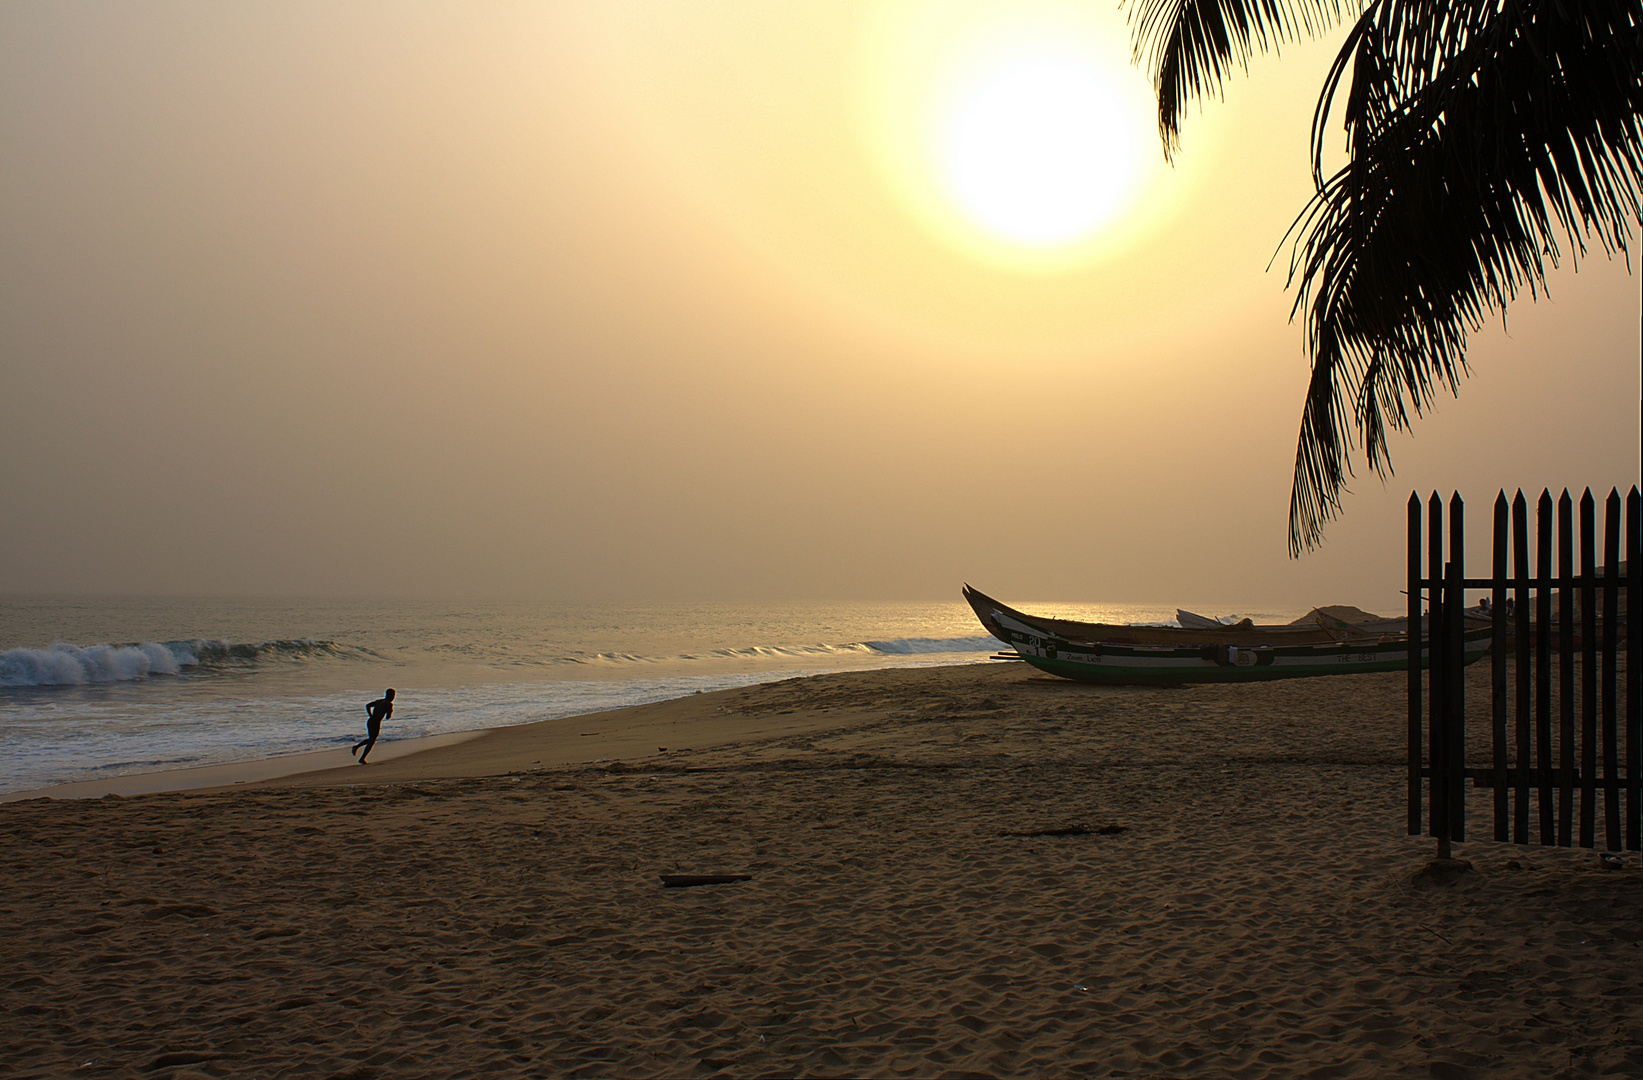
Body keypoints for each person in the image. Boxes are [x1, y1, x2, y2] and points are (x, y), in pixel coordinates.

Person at [352, 688, 395, 764]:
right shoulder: (389, 704)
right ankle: (361, 758)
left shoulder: (379, 701)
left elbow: (368, 705)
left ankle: (357, 747)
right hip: (376, 721)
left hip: (371, 720)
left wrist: (370, 715)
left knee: (371, 739)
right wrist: (390, 711)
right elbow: (388, 717)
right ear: (391, 696)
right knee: (372, 740)